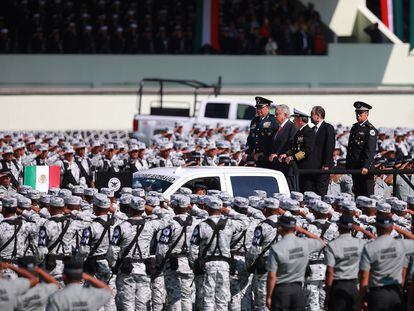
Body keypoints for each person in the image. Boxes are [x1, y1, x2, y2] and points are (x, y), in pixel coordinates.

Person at [188, 196, 249, 310]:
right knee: (222, 298)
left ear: (207, 208)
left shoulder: (201, 225)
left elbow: (193, 249)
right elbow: (245, 221)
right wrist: (230, 212)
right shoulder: (230, 223)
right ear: (221, 209)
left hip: (208, 265)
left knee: (208, 298)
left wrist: (194, 265)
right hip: (225, 265)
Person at [266, 215, 325, 310]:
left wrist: (269, 296)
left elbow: (272, 276)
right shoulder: (304, 243)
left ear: (281, 228)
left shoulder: (277, 248)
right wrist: (303, 231)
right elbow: (321, 242)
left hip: (281, 290)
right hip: (298, 290)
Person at [359, 214, 414, 311]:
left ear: (376, 227)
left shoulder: (370, 247)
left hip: (378, 294)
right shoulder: (401, 244)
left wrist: (362, 298)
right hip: (396, 293)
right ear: (392, 227)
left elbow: (364, 277)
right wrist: (400, 230)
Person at [324, 214, 366, 311]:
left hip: (337, 287)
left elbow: (330, 271)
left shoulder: (332, 245)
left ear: (339, 227)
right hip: (353, 286)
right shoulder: (360, 243)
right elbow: (377, 241)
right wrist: (362, 230)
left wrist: (328, 294)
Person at [46, 256, 112, 310]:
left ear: (64, 277)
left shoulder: (57, 298)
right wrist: (89, 277)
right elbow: (107, 290)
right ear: (81, 276)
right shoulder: (91, 295)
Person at [279, 108, 316, 192]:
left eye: (294, 119)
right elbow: (294, 148)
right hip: (298, 167)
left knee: (304, 191)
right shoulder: (299, 132)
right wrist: (286, 154)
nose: (293, 121)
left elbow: (307, 149)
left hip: (305, 167)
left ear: (300, 120)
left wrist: (294, 157)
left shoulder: (308, 132)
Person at [346, 101, 378, 197]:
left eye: (360, 113)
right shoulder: (354, 127)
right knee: (358, 194)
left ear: (367, 114)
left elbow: (370, 150)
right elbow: (351, 148)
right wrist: (349, 165)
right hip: (355, 166)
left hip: (364, 167)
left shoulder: (370, 129)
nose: (358, 115)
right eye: (357, 113)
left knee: (367, 194)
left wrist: (366, 166)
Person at [268, 104, 297, 188]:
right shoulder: (277, 128)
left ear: (285, 115)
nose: (275, 116)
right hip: (276, 166)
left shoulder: (292, 127)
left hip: (286, 167)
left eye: (277, 114)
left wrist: (279, 154)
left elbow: (292, 145)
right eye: (275, 114)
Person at [309, 106, 335, 196]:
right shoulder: (312, 130)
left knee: (321, 193)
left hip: (323, 168)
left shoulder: (328, 127)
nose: (310, 117)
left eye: (311, 114)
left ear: (318, 116)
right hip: (313, 167)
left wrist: (326, 164)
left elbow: (329, 146)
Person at [245, 96, 278, 168]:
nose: (258, 110)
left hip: (267, 158)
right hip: (257, 158)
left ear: (268, 107)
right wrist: (247, 152)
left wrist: (263, 153)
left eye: (260, 108)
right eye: (257, 108)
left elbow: (274, 141)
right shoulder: (255, 120)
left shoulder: (273, 120)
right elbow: (250, 139)